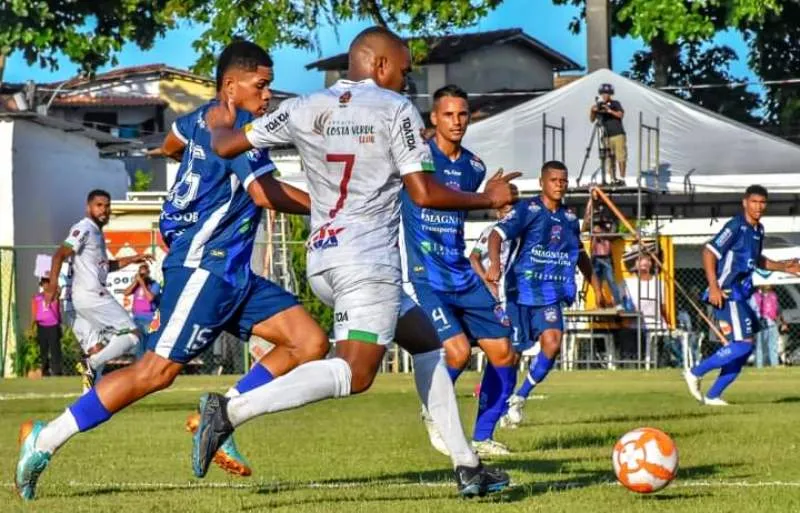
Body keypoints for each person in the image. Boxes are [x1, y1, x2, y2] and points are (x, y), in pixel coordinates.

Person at [199, 26, 518, 495]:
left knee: (429, 345)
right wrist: (486, 198)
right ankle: (229, 411)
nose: (406, 81)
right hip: (368, 262)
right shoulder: (395, 110)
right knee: (355, 372)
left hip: (325, 259)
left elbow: (226, 146)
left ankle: (468, 467)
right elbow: (423, 193)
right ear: (381, 65)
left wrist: (218, 120)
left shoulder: (303, 106)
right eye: (405, 71)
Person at [14, 41, 327, 501]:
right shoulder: (241, 127)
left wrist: (198, 181)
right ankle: (44, 439)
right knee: (155, 371)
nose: (267, 96)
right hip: (205, 267)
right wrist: (331, 209)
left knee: (308, 341)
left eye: (269, 87)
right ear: (231, 86)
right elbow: (265, 193)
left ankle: (221, 413)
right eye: (260, 86)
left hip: (231, 272)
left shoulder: (200, 118)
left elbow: (169, 144)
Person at [401, 84, 518, 456]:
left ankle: (483, 437)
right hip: (424, 273)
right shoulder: (414, 156)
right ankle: (432, 409)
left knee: (504, 353)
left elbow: (467, 200)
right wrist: (489, 198)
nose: (456, 121)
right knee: (456, 353)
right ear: (433, 118)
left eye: (462, 114)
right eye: (448, 114)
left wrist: (497, 204)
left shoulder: (474, 167)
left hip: (461, 272)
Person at [489, 161, 604, 428]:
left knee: (553, 343)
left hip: (550, 293)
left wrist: (596, 286)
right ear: (542, 182)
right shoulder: (527, 210)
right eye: (553, 180)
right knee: (512, 354)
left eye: (563, 180)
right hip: (520, 292)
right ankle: (500, 406)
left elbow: (580, 253)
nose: (559, 185)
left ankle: (519, 397)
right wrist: (495, 265)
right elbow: (496, 235)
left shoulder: (570, 219)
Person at [683, 185, 800, 406]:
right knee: (744, 344)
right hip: (726, 292)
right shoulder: (736, 226)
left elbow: (757, 261)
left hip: (741, 293)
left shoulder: (758, 230)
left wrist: (785, 267)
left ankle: (713, 395)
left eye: (762, 202)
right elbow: (709, 252)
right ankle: (695, 372)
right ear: (745, 202)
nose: (758, 206)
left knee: (744, 349)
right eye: (754, 201)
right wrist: (714, 286)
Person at [41, 190, 152, 391]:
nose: (104, 210)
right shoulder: (84, 228)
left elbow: (106, 266)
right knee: (133, 333)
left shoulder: (96, 233)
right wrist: (52, 286)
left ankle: (87, 402)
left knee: (96, 350)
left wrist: (132, 259)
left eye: (107, 206)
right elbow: (59, 255)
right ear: (88, 207)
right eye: (99, 205)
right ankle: (90, 365)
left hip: (77, 301)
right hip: (90, 295)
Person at [582, 196, 623, 308]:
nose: (601, 210)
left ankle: (618, 303)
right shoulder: (593, 221)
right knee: (596, 282)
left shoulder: (612, 221)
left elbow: (612, 236)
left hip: (606, 256)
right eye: (599, 207)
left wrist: (600, 232)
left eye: (603, 207)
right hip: (595, 256)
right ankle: (599, 304)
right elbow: (584, 226)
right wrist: (590, 202)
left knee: (611, 281)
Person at [589, 83, 626, 185]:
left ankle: (622, 178)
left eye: (607, 94)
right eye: (603, 94)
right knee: (609, 158)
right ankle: (612, 178)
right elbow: (592, 120)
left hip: (618, 134)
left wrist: (609, 110)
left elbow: (620, 114)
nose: (605, 96)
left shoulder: (615, 103)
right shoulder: (599, 105)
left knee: (620, 156)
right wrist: (592, 111)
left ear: (610, 94)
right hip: (606, 136)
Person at [123, 263, 161, 358]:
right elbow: (126, 292)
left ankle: (148, 366)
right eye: (140, 274)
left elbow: (150, 298)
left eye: (144, 274)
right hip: (136, 318)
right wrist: (136, 282)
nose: (142, 277)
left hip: (148, 318)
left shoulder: (154, 285)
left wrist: (143, 283)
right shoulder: (137, 285)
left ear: (148, 273)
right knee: (138, 345)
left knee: (148, 345)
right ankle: (140, 365)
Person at [31, 277, 63, 376]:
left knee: (55, 349)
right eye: (44, 283)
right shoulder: (37, 297)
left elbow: (58, 291)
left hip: (53, 326)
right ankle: (45, 371)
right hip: (41, 326)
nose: (46, 285)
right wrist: (32, 327)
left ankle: (57, 371)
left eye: (48, 283)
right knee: (43, 349)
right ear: (41, 285)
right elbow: (34, 313)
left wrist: (54, 281)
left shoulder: (54, 295)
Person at [751, 285, 785, 367]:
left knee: (773, 345)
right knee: (760, 346)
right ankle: (760, 365)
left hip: (772, 323)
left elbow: (778, 310)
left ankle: (774, 364)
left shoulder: (773, 295)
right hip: (761, 324)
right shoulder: (755, 297)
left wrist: (781, 321)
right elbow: (753, 310)